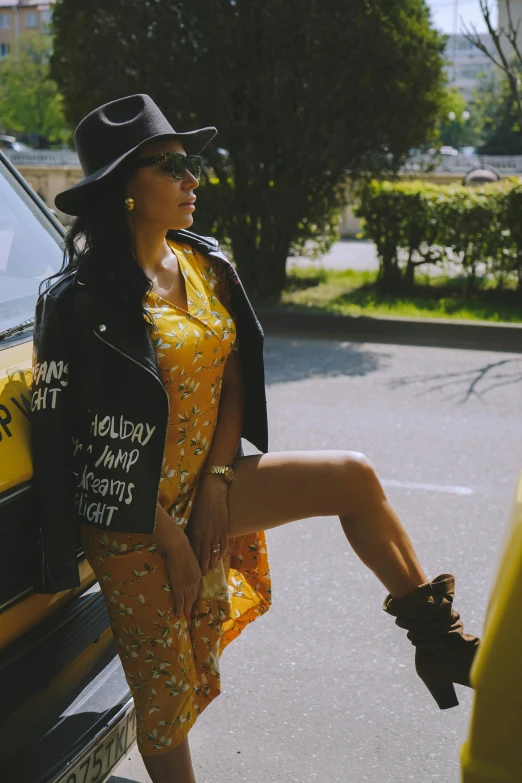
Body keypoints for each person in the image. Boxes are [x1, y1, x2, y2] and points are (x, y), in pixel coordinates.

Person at [31, 94, 480, 783]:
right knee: (166, 696)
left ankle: (438, 642)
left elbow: (235, 377)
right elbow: (80, 446)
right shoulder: (79, 302)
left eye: (194, 165)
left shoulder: (204, 265)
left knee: (353, 478)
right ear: (125, 187)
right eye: (172, 168)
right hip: (131, 519)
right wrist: (171, 536)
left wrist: (215, 486)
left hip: (204, 485)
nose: (194, 181)